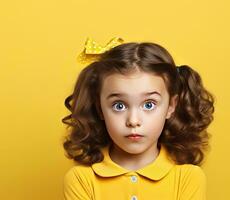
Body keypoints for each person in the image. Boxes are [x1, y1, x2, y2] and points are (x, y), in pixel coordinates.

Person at [61, 37, 215, 200]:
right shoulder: (81, 179)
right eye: (119, 105)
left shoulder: (188, 178)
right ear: (100, 108)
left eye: (149, 105)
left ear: (171, 106)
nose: (133, 121)